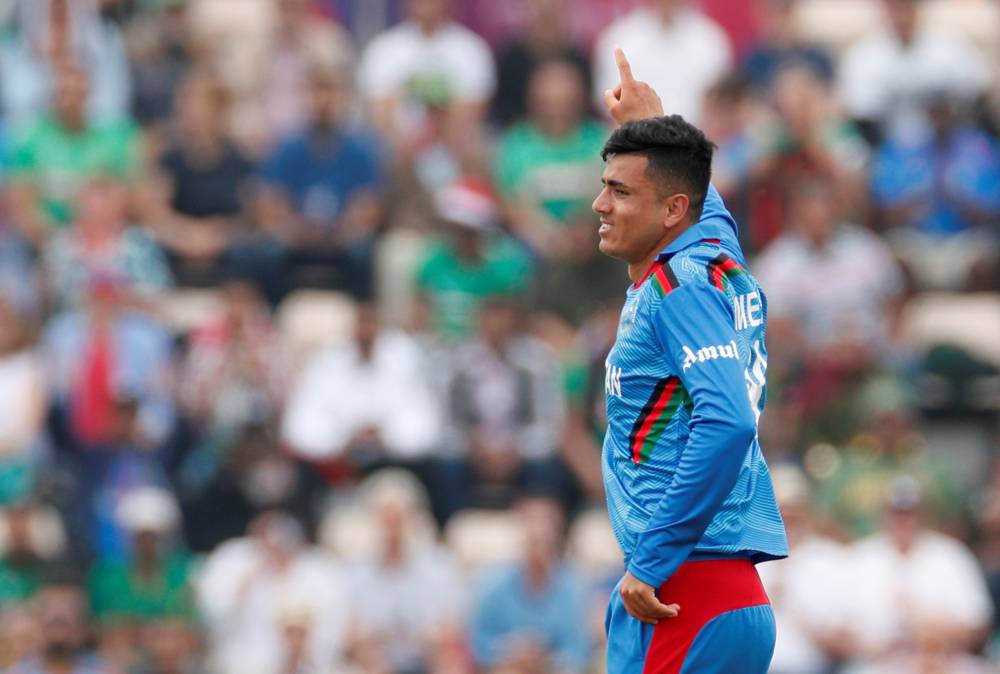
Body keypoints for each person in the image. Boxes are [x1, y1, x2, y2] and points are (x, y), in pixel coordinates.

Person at [594, 49, 787, 673]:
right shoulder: (713, 249)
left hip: (682, 592)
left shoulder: (681, 290)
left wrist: (651, 561)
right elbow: (697, 191)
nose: (600, 204)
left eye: (619, 191)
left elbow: (729, 419)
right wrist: (650, 121)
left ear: (671, 211)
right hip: (719, 594)